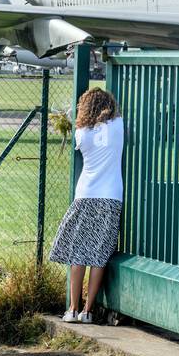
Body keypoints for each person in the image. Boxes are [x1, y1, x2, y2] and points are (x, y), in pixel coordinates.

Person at [49, 87, 124, 323]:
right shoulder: (118, 126)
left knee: (78, 254)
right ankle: (88, 311)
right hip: (110, 197)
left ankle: (72, 308)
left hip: (85, 194)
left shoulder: (82, 133)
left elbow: (75, 119)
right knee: (99, 256)